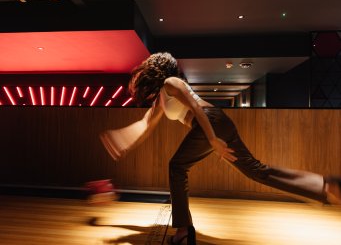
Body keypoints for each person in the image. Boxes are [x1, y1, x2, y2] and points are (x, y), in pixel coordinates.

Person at [100, 52, 341, 245]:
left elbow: (196, 107)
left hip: (210, 122)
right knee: (257, 171)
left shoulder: (171, 82)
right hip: (213, 125)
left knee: (177, 166)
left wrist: (213, 140)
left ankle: (183, 229)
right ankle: (325, 186)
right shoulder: (161, 98)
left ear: (157, 70)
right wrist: (122, 139)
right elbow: (144, 125)